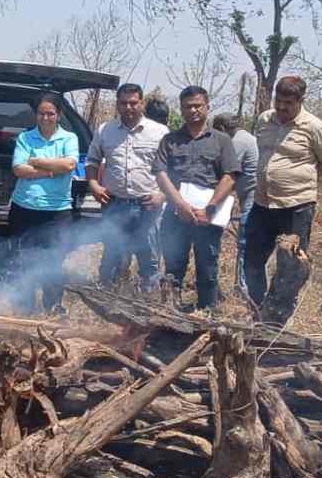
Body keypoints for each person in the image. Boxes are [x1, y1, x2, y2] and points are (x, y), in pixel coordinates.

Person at [246, 76, 322, 308]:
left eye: (288, 102)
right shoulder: (264, 119)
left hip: (297, 206)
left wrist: (299, 183)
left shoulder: (315, 127)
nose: (282, 107)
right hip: (262, 204)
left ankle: (280, 314)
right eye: (279, 100)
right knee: (252, 262)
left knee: (291, 265)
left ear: (300, 101)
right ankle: (258, 309)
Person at [155, 87, 240, 310]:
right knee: (173, 268)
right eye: (187, 106)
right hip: (176, 216)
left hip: (207, 217)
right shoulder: (170, 140)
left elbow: (230, 177)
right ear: (181, 109)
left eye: (197, 105)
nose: (193, 110)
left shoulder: (221, 141)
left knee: (207, 269)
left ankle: (206, 318)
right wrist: (179, 204)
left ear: (207, 107)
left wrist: (210, 209)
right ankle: (169, 317)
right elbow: (161, 174)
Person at [85, 83, 170, 291]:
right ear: (118, 105)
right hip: (115, 205)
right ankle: (107, 303)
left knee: (149, 261)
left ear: (142, 103)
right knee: (112, 259)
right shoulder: (105, 130)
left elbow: (175, 169)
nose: (129, 107)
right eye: (124, 103)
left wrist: (162, 194)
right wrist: (94, 185)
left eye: (133, 103)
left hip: (148, 207)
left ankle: (149, 308)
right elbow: (92, 161)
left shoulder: (160, 132)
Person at [8, 92, 80, 314]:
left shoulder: (69, 138)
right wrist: (51, 171)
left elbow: (68, 166)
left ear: (59, 115)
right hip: (24, 209)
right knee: (23, 261)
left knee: (53, 263)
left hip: (57, 213)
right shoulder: (25, 138)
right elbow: (19, 169)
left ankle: (53, 309)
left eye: (50, 113)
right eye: (41, 113)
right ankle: (24, 310)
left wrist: (37, 162)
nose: (45, 118)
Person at [211, 113, 257, 297]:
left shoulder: (238, 142)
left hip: (252, 194)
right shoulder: (242, 137)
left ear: (222, 129)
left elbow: (226, 171)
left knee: (245, 240)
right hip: (243, 192)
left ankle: (243, 287)